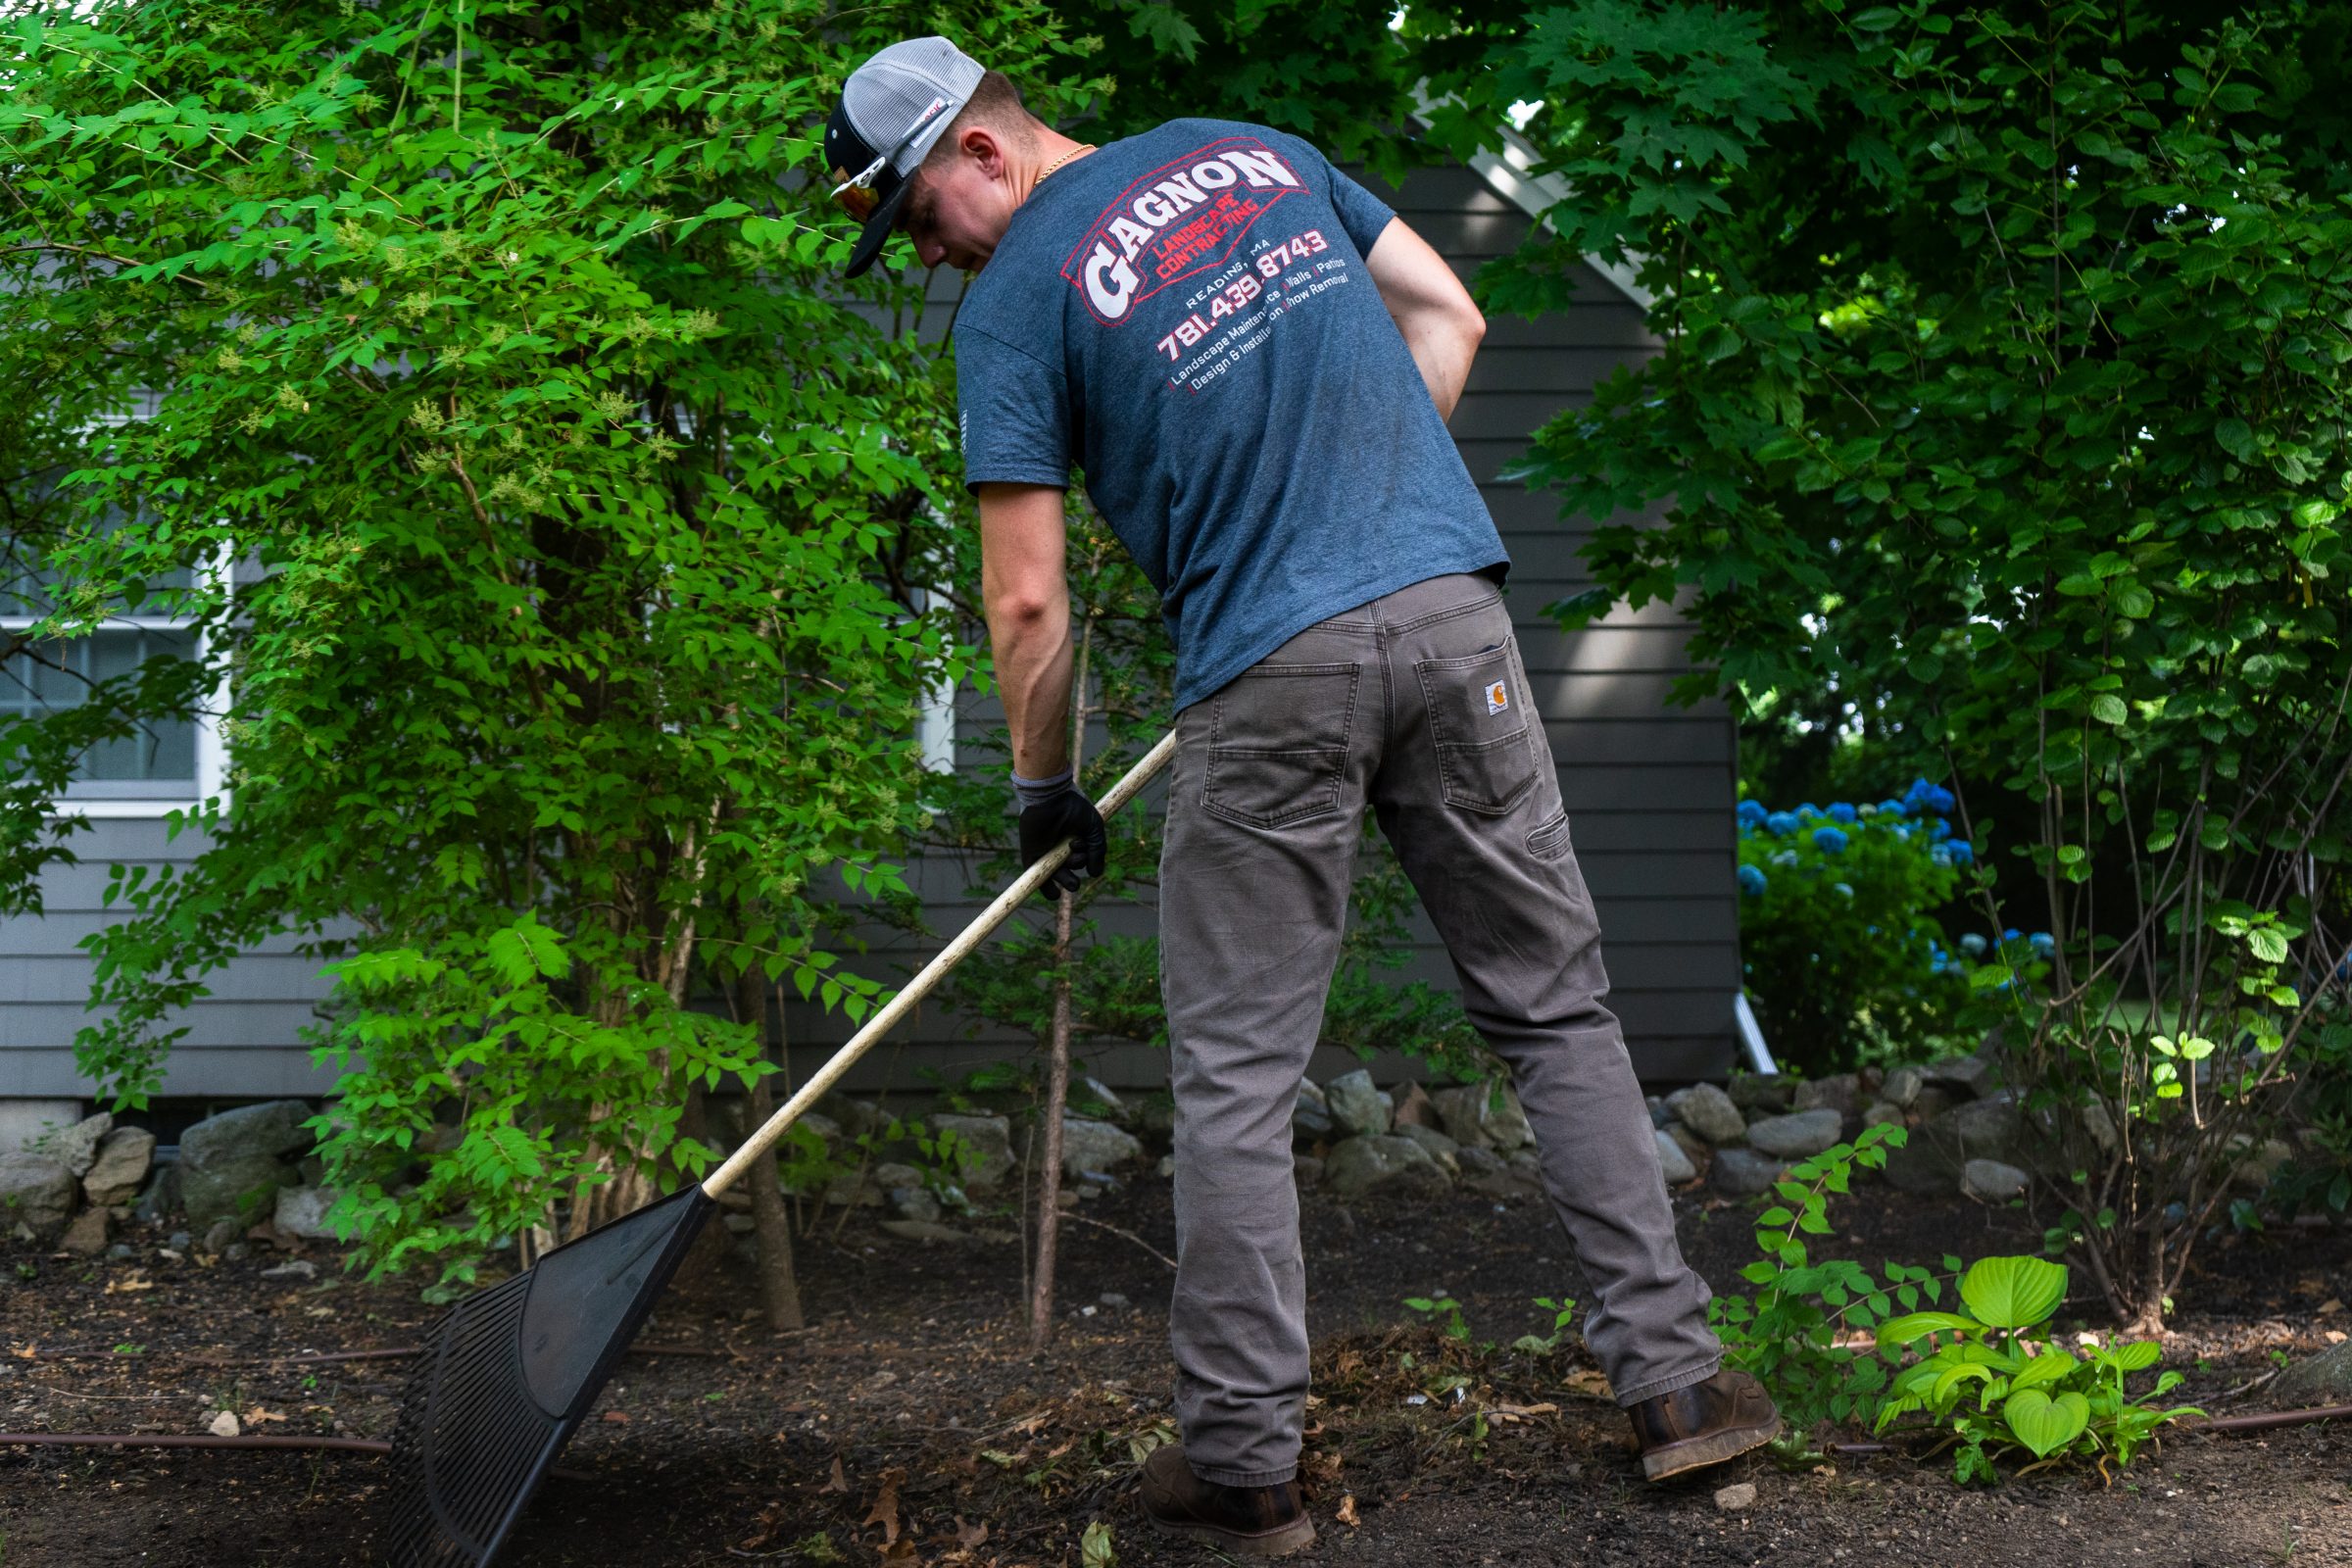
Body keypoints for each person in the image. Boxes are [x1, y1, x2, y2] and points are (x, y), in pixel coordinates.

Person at [823, 36, 1784, 1558]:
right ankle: (1683, 1399)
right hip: (1453, 617)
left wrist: (1045, 787)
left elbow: (1023, 608)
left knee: (1237, 1080)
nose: (927, 252)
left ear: (983, 153)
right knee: (1557, 1011)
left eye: (917, 213)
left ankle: (1249, 1467)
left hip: (1271, 676)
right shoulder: (1247, 141)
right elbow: (1447, 314)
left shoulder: (1015, 305)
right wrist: (1375, 504)